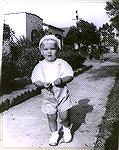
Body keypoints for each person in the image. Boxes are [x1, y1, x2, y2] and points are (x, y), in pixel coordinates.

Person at [31, 34, 74, 146]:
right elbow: (35, 81)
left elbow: (70, 75)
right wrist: (42, 84)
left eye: (52, 49)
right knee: (51, 116)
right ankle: (54, 134)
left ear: (57, 50)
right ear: (41, 51)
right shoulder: (40, 66)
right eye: (45, 49)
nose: (49, 52)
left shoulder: (61, 63)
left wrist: (62, 80)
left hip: (62, 94)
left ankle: (66, 130)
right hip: (48, 96)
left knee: (64, 116)